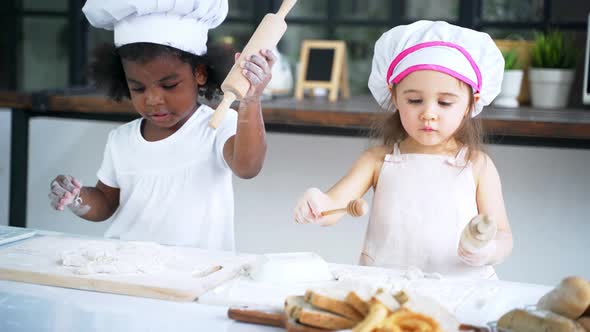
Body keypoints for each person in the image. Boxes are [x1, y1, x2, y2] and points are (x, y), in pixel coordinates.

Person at [48, 0, 275, 251]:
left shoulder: (217, 125)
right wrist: (76, 197)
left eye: (169, 85)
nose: (153, 99)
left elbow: (248, 167)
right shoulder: (121, 139)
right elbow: (104, 203)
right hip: (128, 268)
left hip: (198, 272)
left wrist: (251, 99)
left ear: (199, 73)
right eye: (138, 88)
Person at [294, 21, 513, 279]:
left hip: (461, 289)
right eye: (414, 100)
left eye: (445, 102)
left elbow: (502, 234)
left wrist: (489, 250)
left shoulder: (477, 165)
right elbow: (333, 207)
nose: (428, 113)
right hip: (387, 289)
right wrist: (316, 203)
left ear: (471, 103)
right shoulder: (376, 160)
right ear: (394, 96)